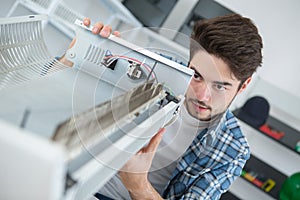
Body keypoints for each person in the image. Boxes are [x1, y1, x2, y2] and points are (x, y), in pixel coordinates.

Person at [61, 13, 263, 199]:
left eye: (220, 86)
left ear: (243, 85)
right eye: (196, 76)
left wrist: (138, 184)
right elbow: (61, 98)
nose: (202, 96)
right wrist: (73, 60)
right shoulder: (154, 66)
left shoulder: (233, 149)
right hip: (65, 178)